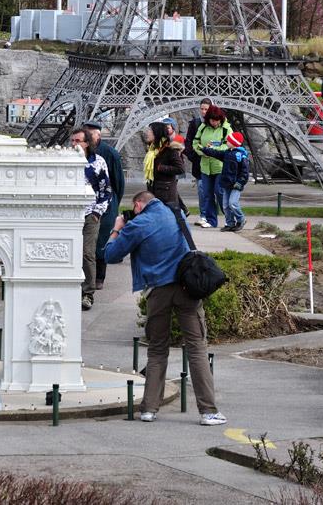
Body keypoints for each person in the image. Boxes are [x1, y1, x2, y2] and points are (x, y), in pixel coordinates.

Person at [104, 191, 226, 426]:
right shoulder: (176, 213)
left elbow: (110, 254)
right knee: (197, 348)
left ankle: (149, 409)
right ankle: (208, 412)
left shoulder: (138, 224)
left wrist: (118, 227)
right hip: (186, 289)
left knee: (157, 350)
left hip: (157, 292)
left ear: (138, 205)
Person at [70, 129, 111, 311]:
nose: (74, 144)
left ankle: (88, 292)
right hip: (69, 215)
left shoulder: (98, 162)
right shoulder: (67, 160)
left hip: (89, 214)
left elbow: (106, 190)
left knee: (87, 252)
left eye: (77, 140)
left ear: (87, 143)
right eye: (72, 141)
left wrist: (97, 212)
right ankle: (71, 288)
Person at [82, 121, 124, 292]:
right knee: (89, 244)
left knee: (100, 242)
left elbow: (117, 182)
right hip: (87, 204)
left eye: (90, 135)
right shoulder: (84, 153)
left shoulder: (109, 154)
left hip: (103, 203)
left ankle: (100, 277)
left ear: (98, 135)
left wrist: (113, 202)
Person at [192, 104, 232, 228]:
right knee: (207, 194)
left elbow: (228, 145)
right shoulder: (203, 127)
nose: (214, 122)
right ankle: (211, 220)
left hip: (219, 166)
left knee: (219, 192)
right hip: (205, 166)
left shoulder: (226, 128)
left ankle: (229, 219)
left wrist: (213, 150)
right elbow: (195, 142)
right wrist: (202, 151)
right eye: (212, 120)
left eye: (216, 120)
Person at [203, 131, 249, 231]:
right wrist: (206, 150)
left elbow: (245, 172)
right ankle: (230, 223)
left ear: (234, 142)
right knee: (225, 206)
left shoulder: (241, 155)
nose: (226, 142)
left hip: (236, 184)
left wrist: (240, 182)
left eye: (228, 140)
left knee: (233, 203)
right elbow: (216, 153)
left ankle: (241, 219)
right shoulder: (227, 153)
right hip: (226, 183)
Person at [143, 122, 184, 208]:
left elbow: (180, 169)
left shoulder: (169, 150)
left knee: (172, 219)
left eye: (150, 130)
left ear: (157, 133)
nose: (147, 133)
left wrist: (161, 168)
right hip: (154, 191)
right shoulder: (152, 150)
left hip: (166, 195)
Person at [184, 98, 210, 225]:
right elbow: (188, 142)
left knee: (216, 191)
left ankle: (213, 215)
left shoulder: (217, 124)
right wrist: (193, 156)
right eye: (202, 109)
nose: (204, 111)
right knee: (201, 189)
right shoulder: (195, 123)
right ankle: (204, 215)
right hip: (200, 162)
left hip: (214, 162)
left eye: (206, 109)